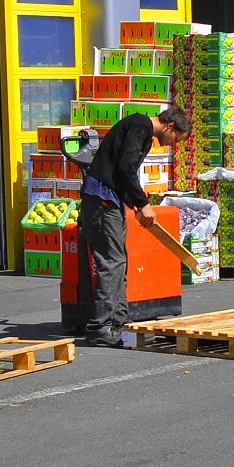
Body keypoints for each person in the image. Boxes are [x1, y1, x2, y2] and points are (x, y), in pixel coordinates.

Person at [77, 105, 192, 347]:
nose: (171, 145)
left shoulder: (144, 136)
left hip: (111, 199)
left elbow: (123, 176)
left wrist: (137, 206)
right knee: (111, 262)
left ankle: (119, 322)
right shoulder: (139, 125)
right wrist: (142, 203)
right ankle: (100, 326)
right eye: (175, 140)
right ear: (170, 126)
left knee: (119, 261)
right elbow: (125, 169)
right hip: (101, 200)